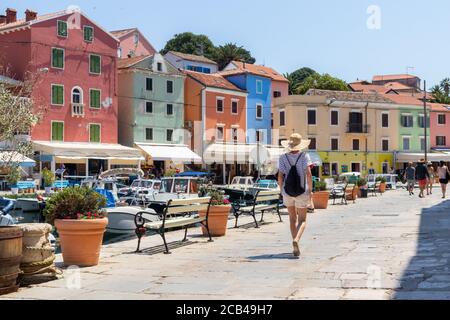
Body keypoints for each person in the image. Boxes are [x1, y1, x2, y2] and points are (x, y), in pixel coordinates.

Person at [278, 133, 313, 257]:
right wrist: (310, 190)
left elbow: (280, 176)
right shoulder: (304, 156)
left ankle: (295, 245)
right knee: (302, 220)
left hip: (287, 191)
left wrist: (281, 190)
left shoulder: (283, 157)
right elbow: (308, 174)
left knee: (292, 219)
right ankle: (296, 240)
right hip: (302, 191)